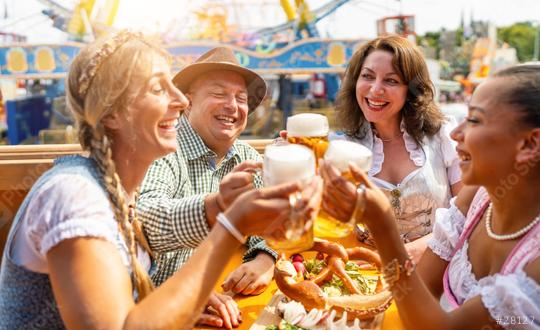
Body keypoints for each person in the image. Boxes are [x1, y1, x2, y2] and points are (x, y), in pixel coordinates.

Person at [0, 30, 322, 329]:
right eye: (158, 88)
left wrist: (181, 299)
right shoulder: (72, 194)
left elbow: (129, 299)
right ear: (111, 114)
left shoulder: (114, 190)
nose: (180, 101)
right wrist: (229, 219)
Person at [321, 64, 540, 329]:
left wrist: (382, 224)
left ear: (530, 144)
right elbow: (418, 292)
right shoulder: (477, 197)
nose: (457, 133)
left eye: (474, 120)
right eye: (366, 76)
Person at [137, 47, 276, 298]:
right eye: (218, 93)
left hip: (210, 293)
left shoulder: (247, 156)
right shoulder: (165, 148)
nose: (232, 106)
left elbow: (271, 221)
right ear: (187, 102)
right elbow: (145, 219)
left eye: (241, 98)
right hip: (153, 302)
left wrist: (264, 259)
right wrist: (216, 207)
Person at [329, 35, 462, 261]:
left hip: (439, 270)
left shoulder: (443, 134)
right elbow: (330, 223)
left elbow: (467, 211)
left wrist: (421, 247)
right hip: (371, 272)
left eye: (391, 81)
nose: (375, 89)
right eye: (367, 76)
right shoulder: (340, 148)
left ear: (411, 90)